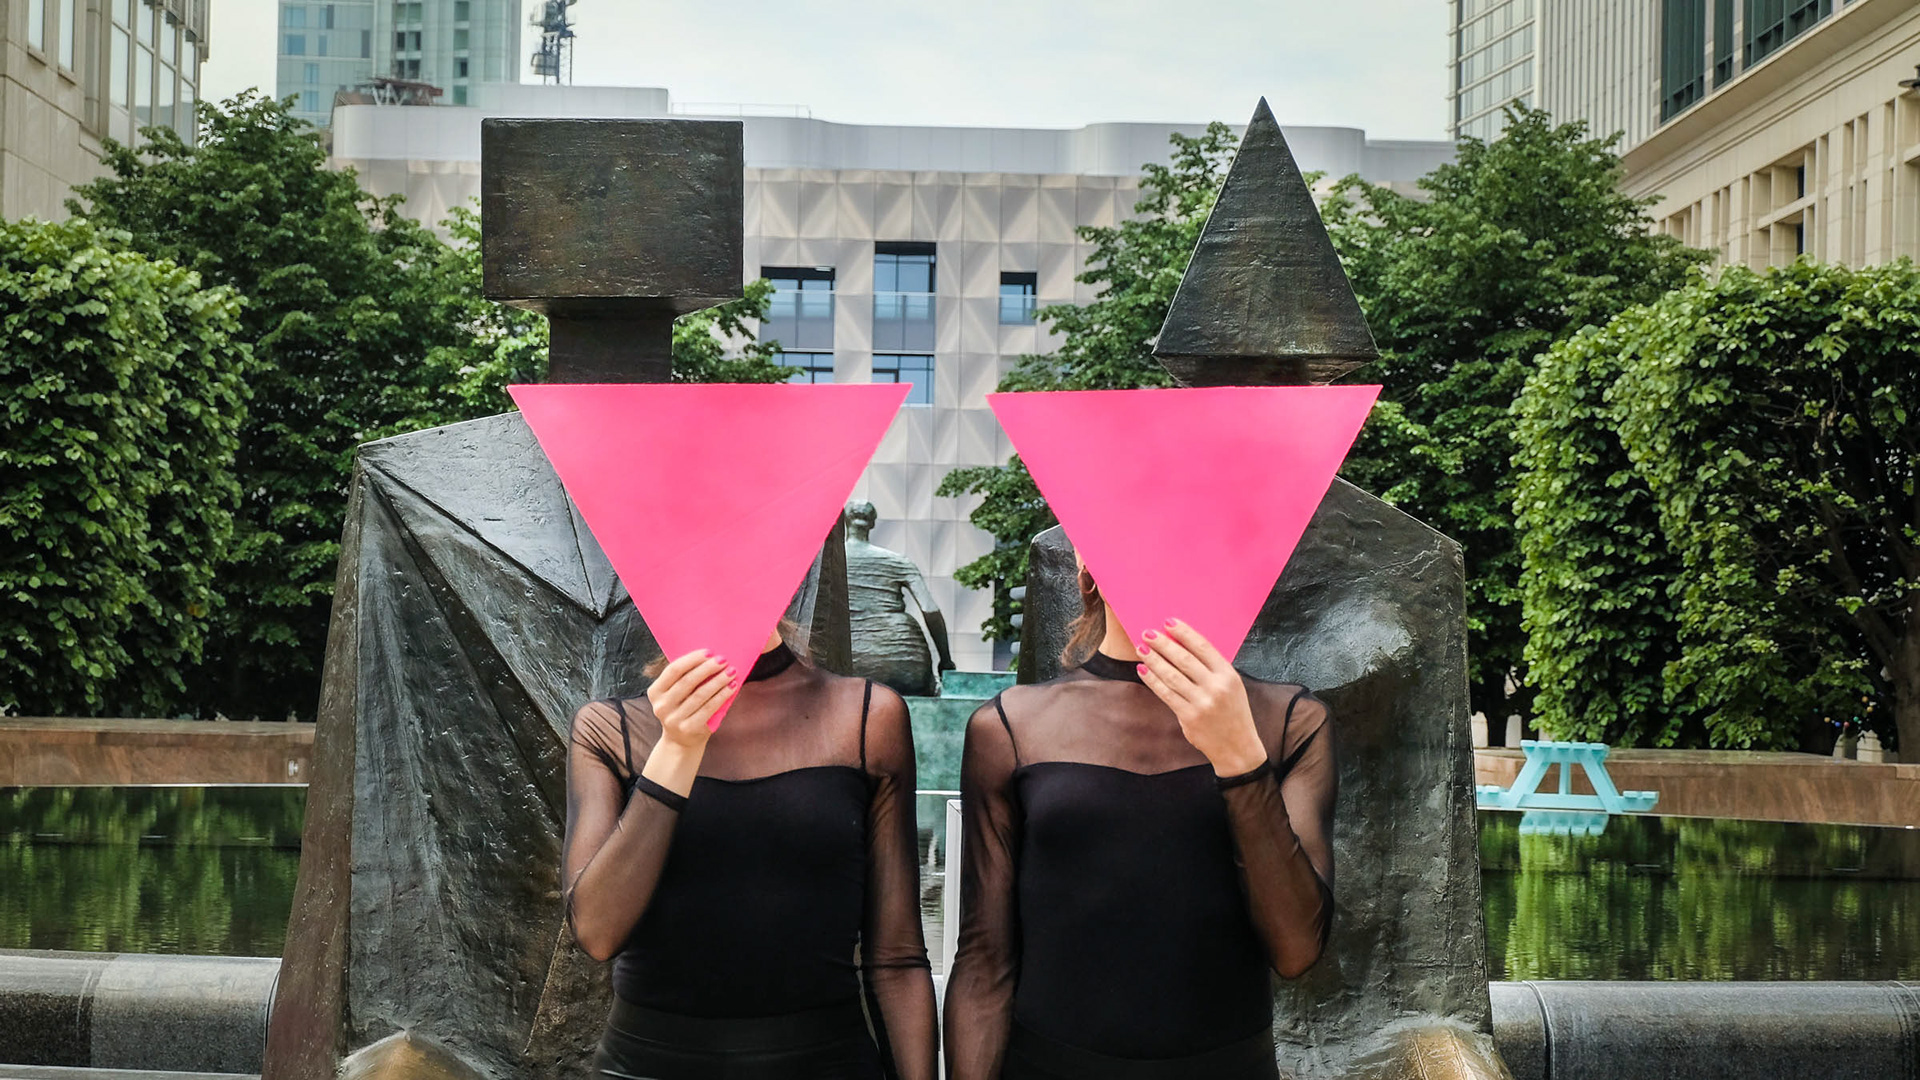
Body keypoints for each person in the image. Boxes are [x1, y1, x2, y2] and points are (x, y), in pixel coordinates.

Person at [942, 561, 1336, 1079]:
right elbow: (983, 960)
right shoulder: (1011, 726)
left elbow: (1296, 950)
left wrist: (1240, 756)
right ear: (1085, 565)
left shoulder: (1290, 721)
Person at [563, 624, 938, 1079]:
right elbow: (598, 932)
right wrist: (677, 748)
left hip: (827, 1063)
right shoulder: (607, 728)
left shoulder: (866, 717)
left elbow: (897, 957)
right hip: (645, 1065)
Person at [844, 499, 956, 697]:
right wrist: (945, 662)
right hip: (904, 659)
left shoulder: (824, 563)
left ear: (846, 521)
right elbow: (930, 610)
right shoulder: (898, 561)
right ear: (872, 523)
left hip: (845, 659)